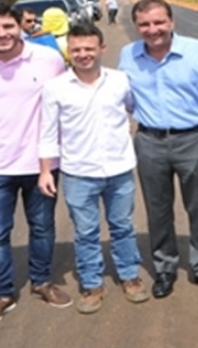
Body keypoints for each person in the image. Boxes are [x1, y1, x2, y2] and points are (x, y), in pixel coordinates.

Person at [0, 0, 71, 328]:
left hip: (42, 164)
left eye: (8, 26)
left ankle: (42, 281)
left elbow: (64, 101)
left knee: (43, 227)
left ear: (21, 26)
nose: (1, 33)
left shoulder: (48, 59)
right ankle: (1, 294)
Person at [118, 0, 198, 300]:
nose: (153, 29)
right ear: (137, 26)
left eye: (159, 22)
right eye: (145, 24)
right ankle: (165, 269)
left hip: (194, 140)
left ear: (172, 22)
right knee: (157, 209)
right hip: (149, 141)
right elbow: (122, 98)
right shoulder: (128, 55)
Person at [38, 22, 149, 314]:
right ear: (68, 52)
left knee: (123, 226)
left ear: (102, 49)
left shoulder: (120, 80)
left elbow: (133, 108)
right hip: (78, 172)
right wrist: (45, 170)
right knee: (86, 231)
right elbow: (47, 132)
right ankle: (91, 283)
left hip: (119, 169)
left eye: (89, 48)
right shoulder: (55, 87)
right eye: (76, 49)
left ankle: (130, 275)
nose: (83, 54)